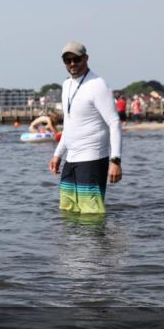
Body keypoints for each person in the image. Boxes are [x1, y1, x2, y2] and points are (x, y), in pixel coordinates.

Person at [49, 41, 122, 214]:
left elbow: (114, 123)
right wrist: (58, 154)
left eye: (77, 59)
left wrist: (116, 161)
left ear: (86, 58)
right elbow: (69, 123)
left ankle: (98, 242)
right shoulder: (67, 84)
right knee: (67, 211)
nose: (72, 64)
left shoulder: (98, 85)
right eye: (68, 61)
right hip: (71, 159)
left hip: (92, 159)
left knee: (91, 215)